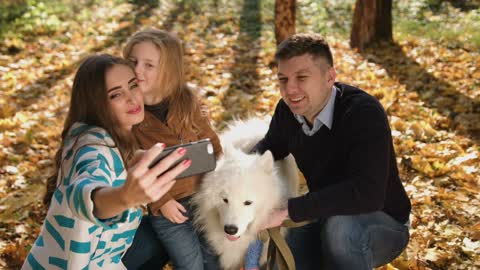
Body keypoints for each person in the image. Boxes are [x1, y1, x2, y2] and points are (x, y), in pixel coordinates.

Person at [253, 33, 412, 269]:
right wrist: (235, 170)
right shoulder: (288, 111)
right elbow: (269, 149)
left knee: (340, 230)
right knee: (280, 263)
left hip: (382, 222)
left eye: (302, 77)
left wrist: (288, 210)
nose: (290, 89)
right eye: (283, 79)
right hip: (323, 214)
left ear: (330, 77)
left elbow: (367, 193)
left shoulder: (363, 113)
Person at [22, 54, 191, 270]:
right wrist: (123, 197)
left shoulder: (101, 133)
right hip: (76, 265)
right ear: (96, 103)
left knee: (161, 229)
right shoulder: (92, 147)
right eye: (116, 95)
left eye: (133, 86)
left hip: (90, 258)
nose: (132, 99)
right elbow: (83, 190)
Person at [123, 28, 223, 270]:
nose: (138, 71)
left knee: (214, 261)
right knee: (189, 265)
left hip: (203, 197)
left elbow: (211, 141)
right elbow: (129, 161)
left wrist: (220, 180)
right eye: (133, 62)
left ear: (168, 70)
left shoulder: (186, 100)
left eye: (149, 65)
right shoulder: (130, 111)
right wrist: (161, 201)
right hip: (168, 210)